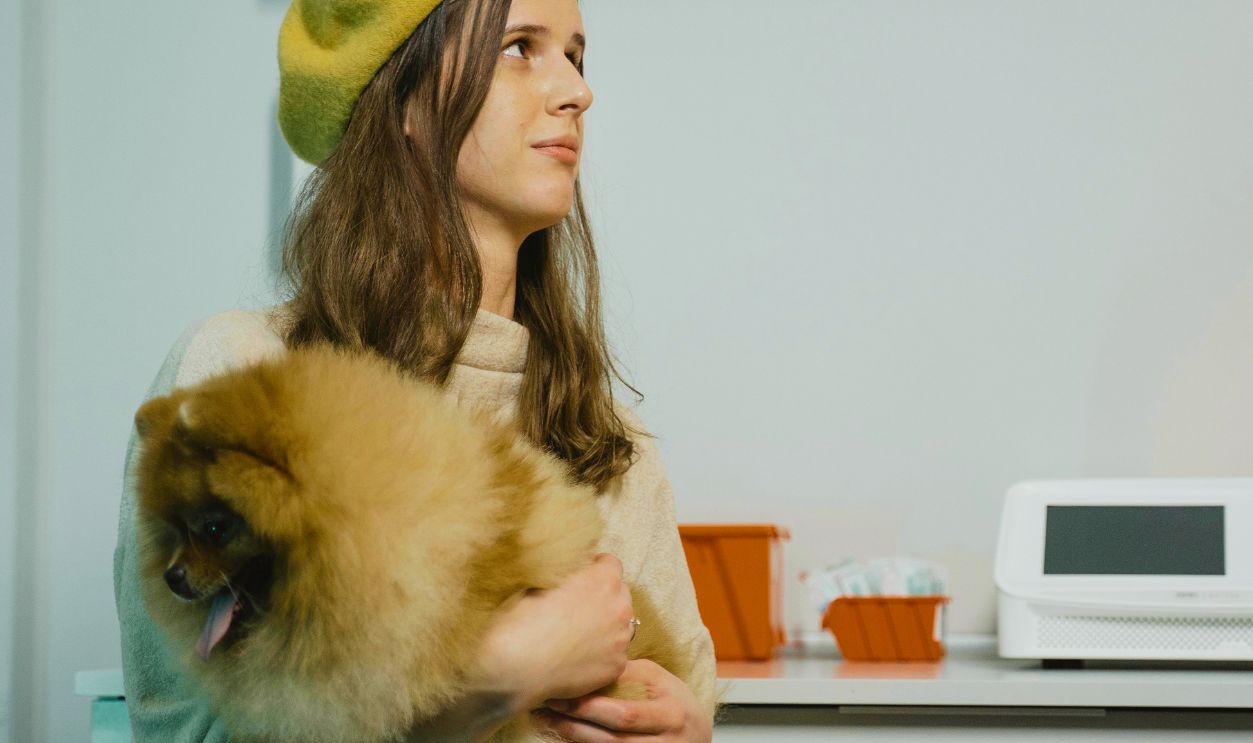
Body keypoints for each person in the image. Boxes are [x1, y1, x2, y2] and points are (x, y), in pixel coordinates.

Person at [111, 0, 718, 741]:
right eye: (519, 48)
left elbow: (682, 686)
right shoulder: (242, 379)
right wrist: (491, 682)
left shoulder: (605, 436)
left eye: (576, 56)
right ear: (406, 98)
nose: (576, 90)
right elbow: (184, 730)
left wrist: (688, 727)